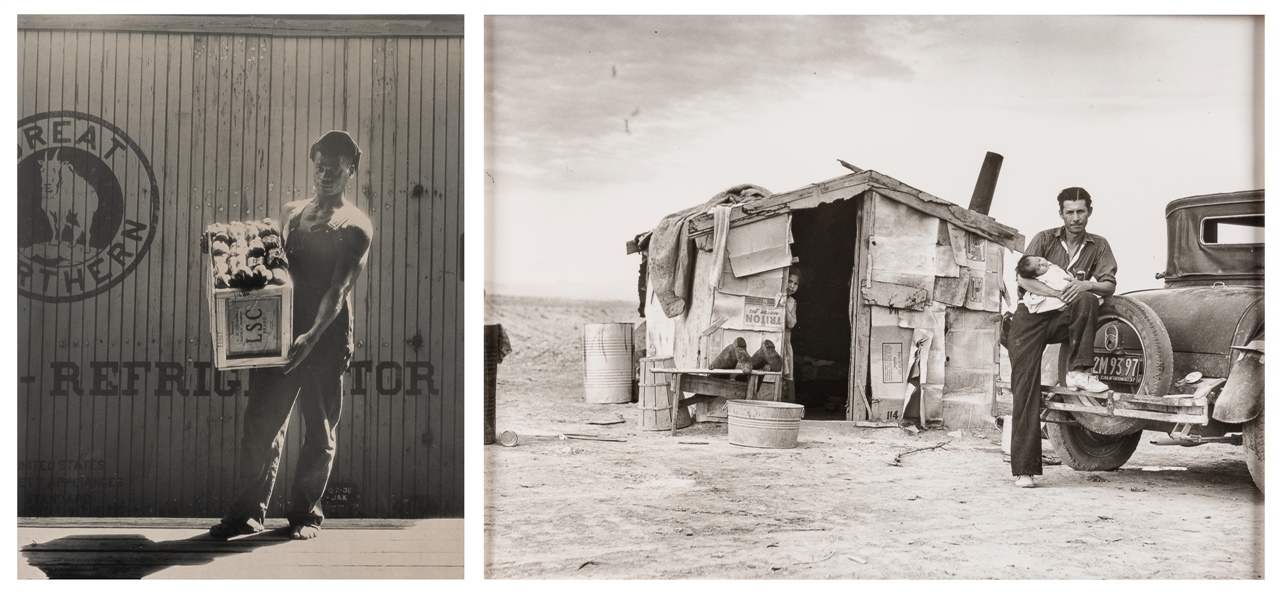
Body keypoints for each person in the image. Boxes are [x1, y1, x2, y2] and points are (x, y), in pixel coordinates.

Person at [210, 131, 373, 540]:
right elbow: (270, 269)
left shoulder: (356, 225)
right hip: (280, 334)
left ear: (350, 171)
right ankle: (246, 514)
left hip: (326, 334)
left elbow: (339, 290)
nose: (325, 175)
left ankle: (305, 516)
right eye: (320, 166)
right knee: (261, 424)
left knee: (319, 431)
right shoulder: (291, 212)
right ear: (313, 164)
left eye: (335, 170)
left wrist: (313, 335)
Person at [1007, 187, 1117, 489]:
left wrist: (1085, 286)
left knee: (1087, 299)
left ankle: (1079, 371)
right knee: (1026, 388)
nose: (1076, 217)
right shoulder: (1044, 239)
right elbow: (1022, 278)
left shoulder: (1099, 245)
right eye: (1070, 212)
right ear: (1061, 214)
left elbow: (1108, 284)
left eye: (1081, 211)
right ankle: (1024, 470)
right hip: (1029, 320)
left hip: (1061, 319)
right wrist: (1057, 292)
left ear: (1089, 212)